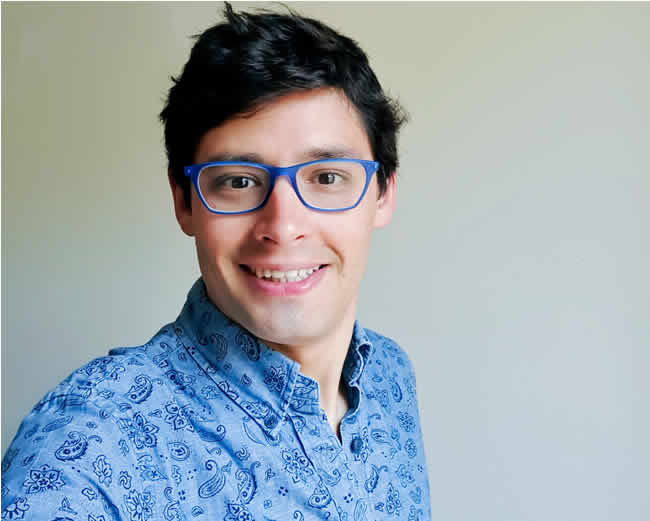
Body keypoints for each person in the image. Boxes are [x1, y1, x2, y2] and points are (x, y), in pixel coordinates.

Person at [1, 4, 430, 520]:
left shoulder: (389, 376)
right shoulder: (91, 447)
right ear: (184, 202)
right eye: (238, 181)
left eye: (326, 177)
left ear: (383, 193)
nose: (283, 226)